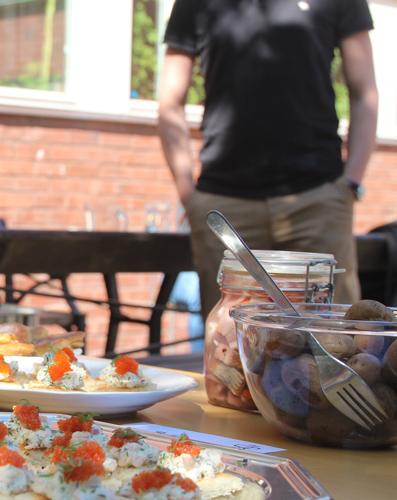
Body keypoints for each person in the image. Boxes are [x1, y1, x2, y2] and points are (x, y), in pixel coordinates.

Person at [158, 0, 379, 315]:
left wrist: (351, 183)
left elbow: (364, 91)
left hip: (318, 199)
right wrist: (188, 194)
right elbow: (170, 101)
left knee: (334, 343)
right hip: (225, 205)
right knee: (228, 345)